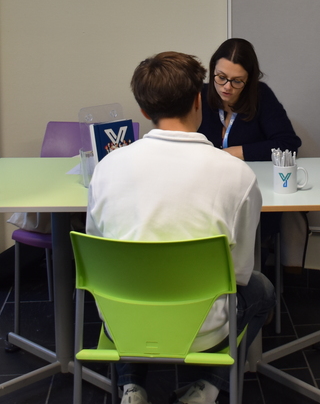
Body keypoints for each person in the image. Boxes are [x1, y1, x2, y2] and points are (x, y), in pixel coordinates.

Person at [86, 51, 275, 404]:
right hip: (202, 330)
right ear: (198, 101)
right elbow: (239, 274)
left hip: (124, 323)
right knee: (261, 289)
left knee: (127, 285)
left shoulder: (107, 168)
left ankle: (131, 388)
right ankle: (207, 390)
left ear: (144, 111)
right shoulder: (238, 176)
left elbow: (99, 259)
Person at [198, 38, 301, 162]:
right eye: (221, 77)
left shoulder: (261, 95)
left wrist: (233, 153)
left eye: (237, 81)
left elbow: (288, 145)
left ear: (249, 79)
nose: (227, 87)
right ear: (213, 69)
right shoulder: (198, 95)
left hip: (251, 171)